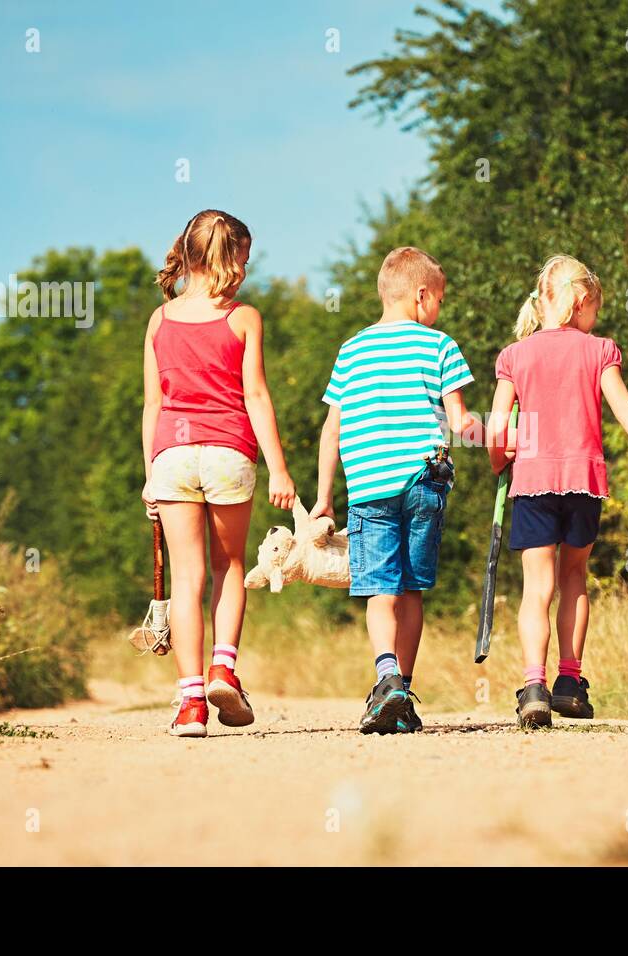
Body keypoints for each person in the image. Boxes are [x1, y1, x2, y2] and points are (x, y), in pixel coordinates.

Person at [486, 254, 628, 728]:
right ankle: (570, 681)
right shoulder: (599, 350)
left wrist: (500, 462)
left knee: (536, 588)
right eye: (594, 310)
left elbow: (497, 428)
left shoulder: (514, 356)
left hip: (534, 483)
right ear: (581, 301)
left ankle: (534, 685)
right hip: (583, 482)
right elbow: (626, 410)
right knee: (574, 579)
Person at [312, 246, 480, 734]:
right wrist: (499, 434)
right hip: (424, 481)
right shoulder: (439, 345)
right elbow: (460, 422)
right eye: (440, 301)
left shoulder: (351, 350)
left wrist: (324, 497)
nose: (439, 311)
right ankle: (401, 688)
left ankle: (387, 681)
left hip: (368, 485)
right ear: (422, 295)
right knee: (411, 590)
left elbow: (332, 429)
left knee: (379, 592)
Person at [141, 209, 295, 738]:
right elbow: (255, 395)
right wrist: (278, 468)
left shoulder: (160, 320)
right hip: (229, 452)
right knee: (229, 565)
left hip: (173, 458)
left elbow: (153, 404)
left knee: (187, 579)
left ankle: (189, 706)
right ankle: (223, 667)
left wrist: (149, 475)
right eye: (245, 259)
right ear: (231, 260)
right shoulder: (243, 318)